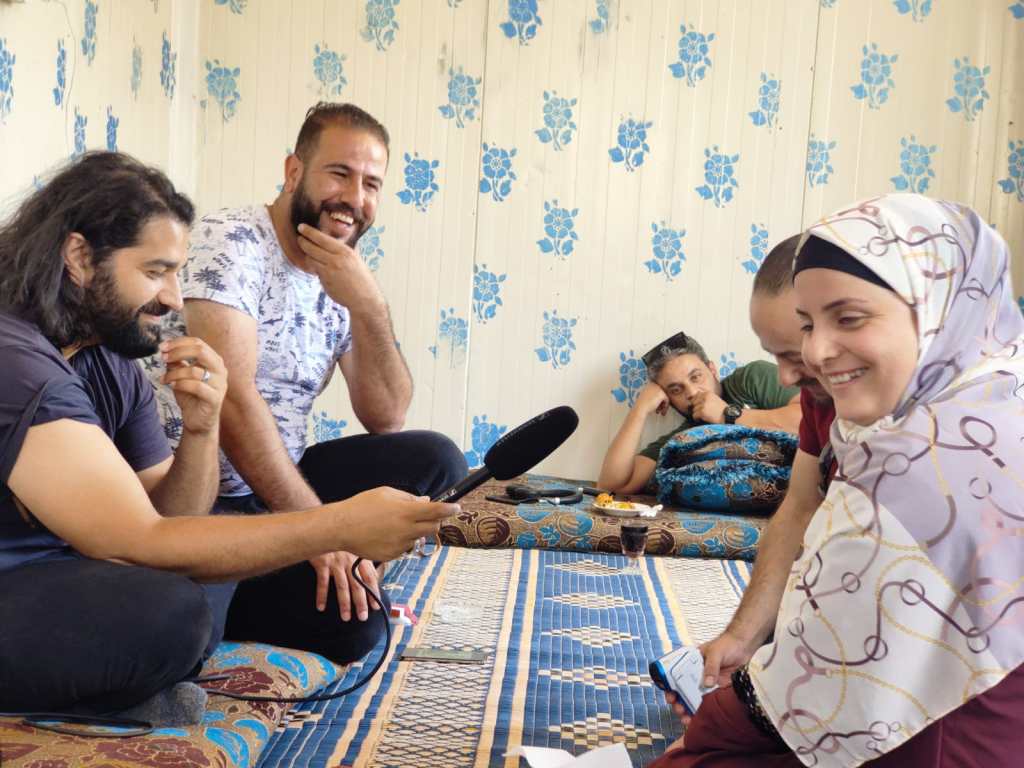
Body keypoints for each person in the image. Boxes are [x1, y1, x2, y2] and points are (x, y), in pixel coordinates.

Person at [0, 152, 457, 720]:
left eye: (174, 272)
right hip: (23, 578)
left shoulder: (105, 356)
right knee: (172, 613)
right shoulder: (16, 361)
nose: (171, 298)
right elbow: (137, 541)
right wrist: (338, 525)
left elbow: (173, 513)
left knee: (190, 601)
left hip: (65, 565)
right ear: (79, 257)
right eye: (154, 271)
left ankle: (125, 688)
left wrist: (200, 428)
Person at [652, 193, 1024, 766]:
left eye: (848, 318)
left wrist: (721, 721)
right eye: (806, 327)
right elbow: (800, 505)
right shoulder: (970, 403)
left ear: (936, 309)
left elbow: (830, 668)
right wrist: (744, 638)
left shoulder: (929, 462)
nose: (814, 356)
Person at [144, 102, 467, 627]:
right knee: (355, 628)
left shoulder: (342, 272)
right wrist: (324, 530)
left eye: (371, 184)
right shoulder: (231, 242)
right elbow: (234, 405)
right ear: (294, 171)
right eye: (339, 174)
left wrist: (369, 305)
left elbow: (386, 417)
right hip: (203, 498)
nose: (354, 199)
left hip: (279, 478)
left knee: (438, 459)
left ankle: (301, 573)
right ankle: (260, 587)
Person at [598, 332, 801, 494]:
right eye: (676, 390)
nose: (692, 392)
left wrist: (727, 415)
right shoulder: (683, 439)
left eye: (696, 377)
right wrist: (640, 409)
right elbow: (612, 486)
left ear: (712, 369)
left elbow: (810, 421)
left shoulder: (750, 380)